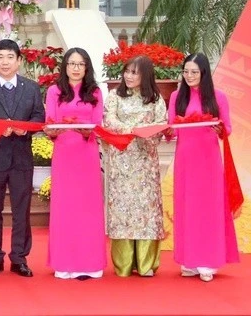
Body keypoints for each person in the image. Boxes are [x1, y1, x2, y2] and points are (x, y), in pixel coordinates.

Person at [0, 39, 45, 278]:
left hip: (21, 158)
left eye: (10, 57)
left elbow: (38, 118)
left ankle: (19, 258)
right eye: (0, 57)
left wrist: (27, 129)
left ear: (19, 61)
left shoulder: (32, 88)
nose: (5, 62)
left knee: (21, 210)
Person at [168, 53, 239, 282]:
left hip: (208, 161)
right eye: (186, 71)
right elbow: (173, 130)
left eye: (194, 72)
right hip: (185, 161)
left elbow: (226, 128)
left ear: (204, 73)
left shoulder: (218, 97)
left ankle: (208, 261)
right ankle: (189, 260)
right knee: (187, 208)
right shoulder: (177, 97)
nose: (189, 76)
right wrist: (166, 131)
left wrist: (219, 130)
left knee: (208, 210)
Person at [103, 56, 166, 277]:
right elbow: (108, 121)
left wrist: (146, 132)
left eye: (134, 73)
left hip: (145, 162)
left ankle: (147, 263)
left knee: (146, 211)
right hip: (121, 161)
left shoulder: (156, 99)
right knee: (123, 210)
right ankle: (124, 264)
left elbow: (160, 126)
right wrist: (133, 128)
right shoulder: (114, 96)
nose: (128, 76)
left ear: (145, 75)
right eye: (126, 71)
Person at [44, 47, 105, 280]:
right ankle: (65, 262)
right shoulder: (54, 91)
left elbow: (97, 124)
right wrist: (52, 130)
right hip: (64, 153)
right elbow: (50, 122)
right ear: (65, 66)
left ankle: (90, 264)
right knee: (65, 207)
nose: (76, 68)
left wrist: (86, 130)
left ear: (87, 67)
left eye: (80, 64)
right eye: (71, 64)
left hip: (87, 152)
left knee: (88, 208)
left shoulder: (95, 92)